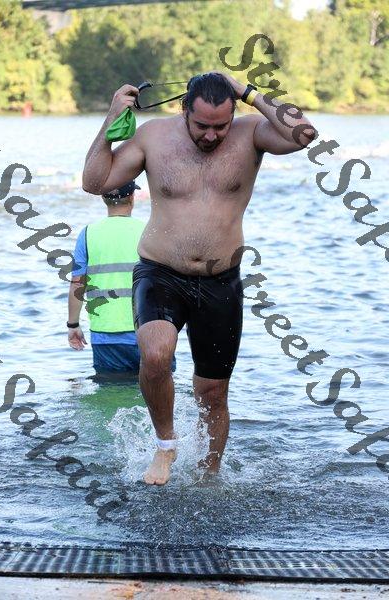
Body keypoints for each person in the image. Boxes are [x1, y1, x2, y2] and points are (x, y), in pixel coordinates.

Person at [82, 72, 316, 485]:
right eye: (202, 125)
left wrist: (247, 92)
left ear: (233, 114)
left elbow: (304, 134)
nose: (211, 135)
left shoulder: (251, 134)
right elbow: (94, 182)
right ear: (184, 109)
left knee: (213, 392)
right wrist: (111, 118)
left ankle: (209, 477)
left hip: (220, 281)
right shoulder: (154, 137)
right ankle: (165, 446)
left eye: (220, 126)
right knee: (156, 354)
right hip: (160, 271)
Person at [67, 181, 145, 380]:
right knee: (157, 392)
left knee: (111, 391)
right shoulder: (148, 231)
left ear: (103, 198)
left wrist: (73, 325)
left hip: (105, 334)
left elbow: (77, 283)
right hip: (148, 330)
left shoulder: (87, 234)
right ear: (132, 198)